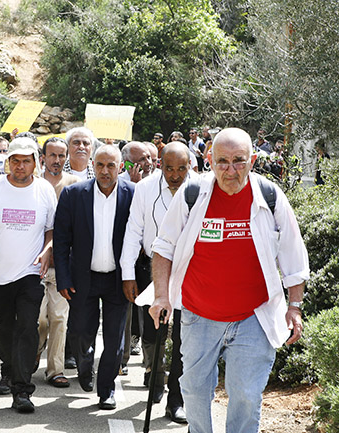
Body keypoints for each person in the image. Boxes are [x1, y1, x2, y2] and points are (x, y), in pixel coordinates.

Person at [150, 127, 309, 432]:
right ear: (209, 159)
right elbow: (163, 247)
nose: (231, 170)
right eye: (223, 161)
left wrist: (295, 306)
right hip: (199, 315)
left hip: (254, 317)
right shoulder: (193, 194)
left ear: (253, 161)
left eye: (239, 161)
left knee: (246, 397)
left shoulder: (270, 196)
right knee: (194, 392)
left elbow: (292, 254)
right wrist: (161, 296)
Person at [0, 137, 56, 413]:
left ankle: (22, 390)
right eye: (16, 161)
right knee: (5, 328)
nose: (20, 166)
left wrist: (47, 251)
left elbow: (51, 230)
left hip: (30, 272)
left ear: (35, 162)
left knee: (27, 326)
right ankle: (8, 371)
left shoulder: (44, 190)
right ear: (9, 162)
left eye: (26, 161)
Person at [54, 145, 135, 410]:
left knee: (114, 339)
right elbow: (62, 240)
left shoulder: (132, 195)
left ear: (120, 167)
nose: (105, 171)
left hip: (117, 280)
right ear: (93, 164)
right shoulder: (74, 194)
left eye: (111, 165)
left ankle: (106, 390)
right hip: (82, 279)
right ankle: (85, 364)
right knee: (79, 332)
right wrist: (63, 279)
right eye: (100, 165)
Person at [121, 142, 192, 423]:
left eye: (182, 168)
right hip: (155, 270)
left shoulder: (200, 189)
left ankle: (176, 400)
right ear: (160, 164)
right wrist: (127, 272)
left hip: (190, 273)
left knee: (183, 339)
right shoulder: (145, 188)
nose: (175, 175)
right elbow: (133, 230)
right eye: (169, 168)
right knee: (153, 334)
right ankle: (154, 374)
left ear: (191, 166)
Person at [35, 137, 80, 388]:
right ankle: (34, 353)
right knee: (39, 320)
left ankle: (55, 369)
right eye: (52, 155)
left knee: (60, 319)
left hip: (64, 266)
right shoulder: (34, 184)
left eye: (62, 155)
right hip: (35, 265)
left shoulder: (75, 185)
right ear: (43, 158)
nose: (57, 160)